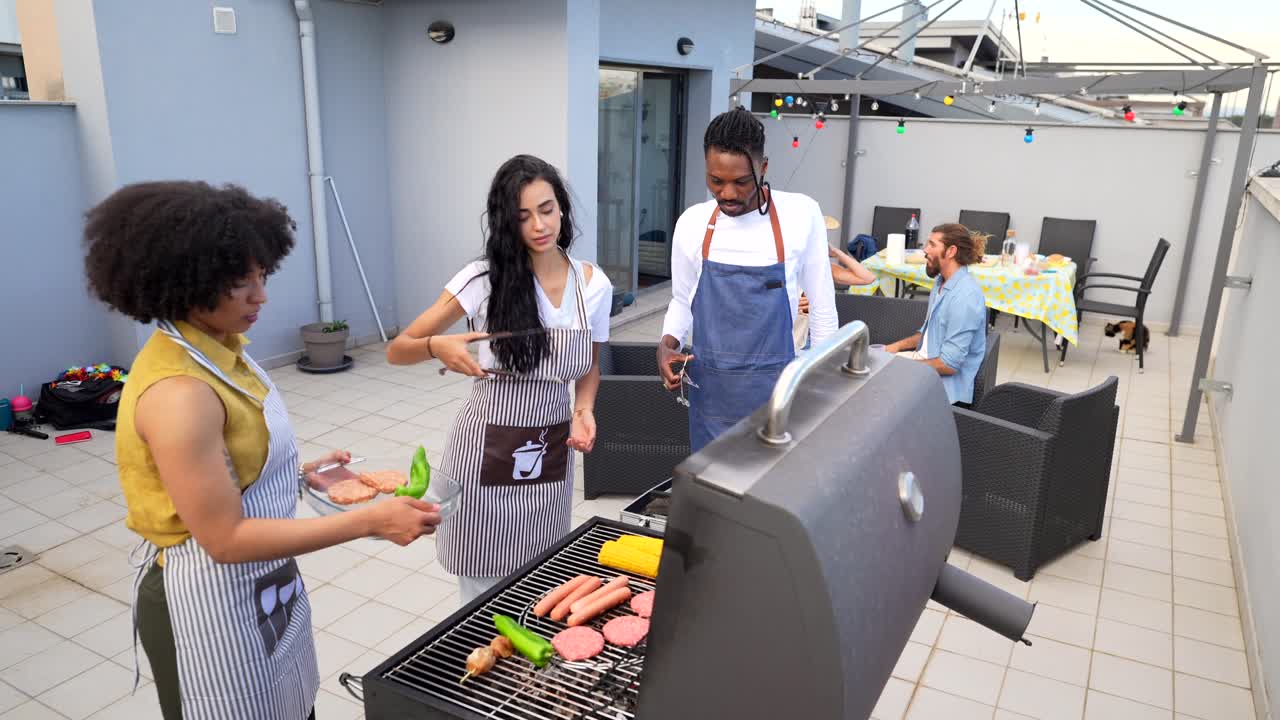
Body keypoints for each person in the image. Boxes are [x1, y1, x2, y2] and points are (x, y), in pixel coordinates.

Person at [83, 181, 442, 720]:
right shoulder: (179, 394)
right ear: (184, 281)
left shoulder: (224, 349)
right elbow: (224, 538)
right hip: (205, 601)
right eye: (238, 282)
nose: (261, 296)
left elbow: (225, 466)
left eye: (262, 275)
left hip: (265, 585)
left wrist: (294, 470)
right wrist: (369, 522)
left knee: (292, 703)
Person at [387, 155, 612, 604]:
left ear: (562, 208)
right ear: (507, 223)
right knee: (481, 592)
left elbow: (588, 365)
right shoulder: (482, 279)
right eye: (523, 216)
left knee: (542, 580)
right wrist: (437, 346)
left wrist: (583, 410)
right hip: (483, 454)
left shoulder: (593, 285)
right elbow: (398, 348)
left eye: (546, 209)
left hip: (549, 454)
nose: (538, 226)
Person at [658, 108, 837, 451]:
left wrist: (822, 387)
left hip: (779, 391)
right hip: (711, 394)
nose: (727, 193)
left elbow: (823, 310)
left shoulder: (801, 214)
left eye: (741, 181)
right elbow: (682, 301)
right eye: (716, 181)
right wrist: (668, 345)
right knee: (715, 491)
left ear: (763, 167)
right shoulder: (693, 224)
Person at [884, 223, 989, 405]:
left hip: (944, 389)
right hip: (924, 364)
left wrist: (902, 367)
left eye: (932, 245)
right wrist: (893, 348)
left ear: (951, 251)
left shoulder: (965, 297)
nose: (925, 250)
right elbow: (928, 334)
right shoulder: (941, 282)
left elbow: (949, 365)